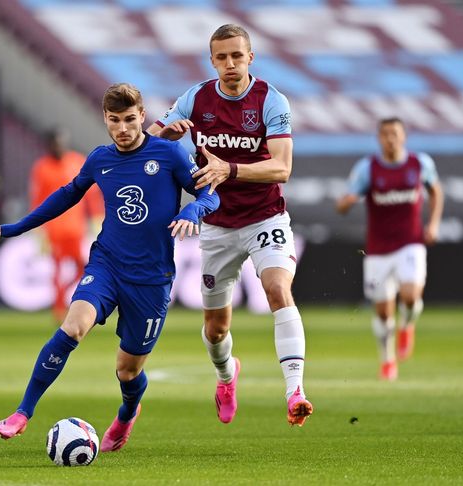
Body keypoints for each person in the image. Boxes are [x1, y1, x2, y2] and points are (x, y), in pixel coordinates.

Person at [0, 83, 219, 451]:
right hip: (107, 263)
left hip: (151, 278)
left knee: (128, 370)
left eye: (130, 120)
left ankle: (128, 412)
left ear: (142, 117)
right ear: (105, 119)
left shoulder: (170, 153)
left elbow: (210, 191)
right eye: (115, 120)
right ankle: (22, 412)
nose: (123, 128)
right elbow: (66, 196)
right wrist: (17, 227)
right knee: (73, 327)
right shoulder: (99, 159)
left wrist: (193, 208)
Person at [147, 24, 313, 427]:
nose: (230, 64)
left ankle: (295, 390)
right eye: (222, 57)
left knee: (277, 288)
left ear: (250, 57)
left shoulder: (271, 101)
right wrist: (165, 135)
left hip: (265, 217)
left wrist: (229, 168)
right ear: (212, 61)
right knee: (216, 329)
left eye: (237, 56)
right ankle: (226, 376)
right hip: (216, 224)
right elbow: (145, 143)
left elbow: (282, 167)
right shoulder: (196, 98)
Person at [336, 117, 444, 380]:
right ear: (379, 138)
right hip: (378, 248)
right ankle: (387, 360)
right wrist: (347, 202)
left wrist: (434, 224)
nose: (390, 138)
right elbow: (344, 202)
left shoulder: (420, 164)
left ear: (404, 136)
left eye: (395, 133)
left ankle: (407, 325)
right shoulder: (368, 168)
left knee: (410, 295)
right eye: (385, 134)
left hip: (411, 242)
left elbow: (436, 191)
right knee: (383, 312)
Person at [29, 129, 103, 320]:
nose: (59, 147)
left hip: (75, 228)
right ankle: (59, 308)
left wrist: (96, 217)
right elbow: (37, 200)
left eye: (62, 142)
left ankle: (64, 298)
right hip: (54, 228)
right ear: (49, 145)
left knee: (81, 267)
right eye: (55, 143)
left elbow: (91, 194)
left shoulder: (77, 162)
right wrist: (39, 230)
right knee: (57, 268)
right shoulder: (42, 168)